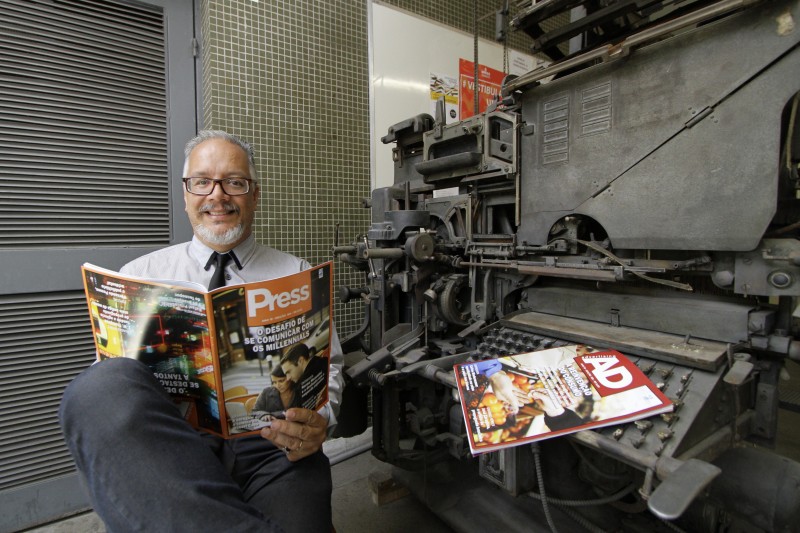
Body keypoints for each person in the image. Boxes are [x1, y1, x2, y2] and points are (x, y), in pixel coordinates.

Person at [59, 130, 344, 533]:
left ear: (254, 194)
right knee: (96, 387)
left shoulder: (297, 275)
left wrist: (321, 420)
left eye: (235, 182)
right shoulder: (139, 276)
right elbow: (115, 397)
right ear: (186, 192)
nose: (218, 195)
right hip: (171, 449)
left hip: (276, 450)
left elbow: (328, 372)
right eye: (202, 181)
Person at [280, 343, 329, 410]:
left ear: (301, 361)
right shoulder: (326, 361)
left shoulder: (300, 389)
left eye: (288, 372)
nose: (288, 378)